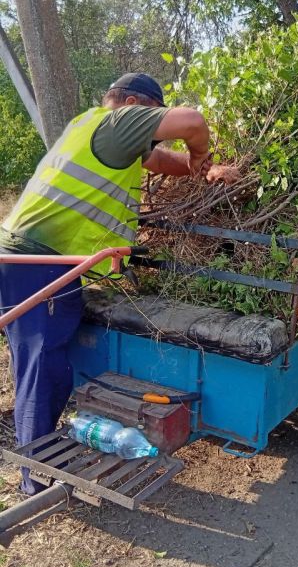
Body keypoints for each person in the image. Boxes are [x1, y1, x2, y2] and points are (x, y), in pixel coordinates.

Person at [0, 72, 239, 494]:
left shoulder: (95, 131)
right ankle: (35, 476)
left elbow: (169, 161)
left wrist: (199, 168)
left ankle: (38, 459)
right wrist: (203, 152)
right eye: (151, 119)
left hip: (37, 260)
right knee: (42, 366)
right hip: (38, 261)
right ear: (131, 104)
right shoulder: (115, 124)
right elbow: (193, 124)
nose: (152, 136)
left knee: (39, 361)